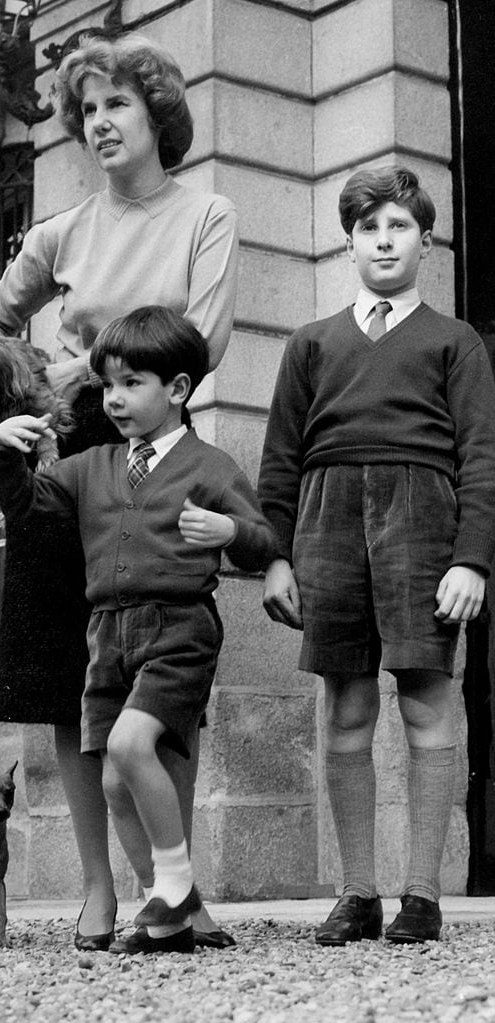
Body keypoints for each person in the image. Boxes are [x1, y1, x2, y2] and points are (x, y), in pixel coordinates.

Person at [0, 31, 238, 950]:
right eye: (86, 111)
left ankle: (180, 888)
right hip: (67, 451)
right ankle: (98, 891)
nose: (98, 123)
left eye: (116, 104)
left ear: (156, 112)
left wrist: (91, 363)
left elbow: (198, 343)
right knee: (63, 673)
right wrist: (16, 397)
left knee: (168, 666)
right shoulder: (61, 231)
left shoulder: (208, 214)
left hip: (160, 436)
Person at [0, 305, 279, 953]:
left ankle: (171, 884)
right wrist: (3, 458)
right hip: (107, 637)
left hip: (178, 629)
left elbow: (264, 540)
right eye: (106, 385)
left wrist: (232, 532)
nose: (113, 399)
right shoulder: (93, 466)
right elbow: (32, 513)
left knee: (129, 747)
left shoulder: (209, 465)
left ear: (177, 389)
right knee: (117, 779)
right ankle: (171, 911)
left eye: (130, 383)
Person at [257, 166, 495, 946]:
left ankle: (421, 893)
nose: (384, 239)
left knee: (427, 697)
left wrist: (472, 559)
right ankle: (357, 890)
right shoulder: (311, 342)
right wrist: (275, 556)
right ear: (349, 242)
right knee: (348, 703)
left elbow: (481, 457)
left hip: (422, 516)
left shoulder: (454, 340)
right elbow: (281, 460)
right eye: (369, 228)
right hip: (327, 520)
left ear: (427, 240)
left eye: (399, 226)